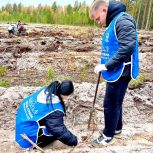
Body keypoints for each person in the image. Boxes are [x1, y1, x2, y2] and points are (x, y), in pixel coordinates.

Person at [89, 0, 139, 146]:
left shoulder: (122, 20)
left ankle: (107, 135)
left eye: (98, 18)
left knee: (110, 103)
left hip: (121, 71)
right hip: (117, 69)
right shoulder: (115, 20)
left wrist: (107, 65)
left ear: (104, 10)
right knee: (116, 101)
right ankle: (116, 128)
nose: (98, 22)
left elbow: (128, 46)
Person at [15, 80, 78, 149]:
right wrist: (74, 141)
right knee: (55, 134)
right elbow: (58, 130)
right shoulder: (55, 108)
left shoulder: (46, 90)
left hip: (21, 126)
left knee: (51, 124)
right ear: (65, 95)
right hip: (27, 140)